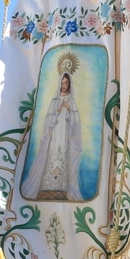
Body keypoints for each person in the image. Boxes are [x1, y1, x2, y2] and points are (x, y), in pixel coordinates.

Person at [23, 71, 84, 201]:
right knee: (52, 156)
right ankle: (47, 188)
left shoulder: (71, 101)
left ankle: (63, 189)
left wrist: (68, 109)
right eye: (62, 83)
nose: (64, 85)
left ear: (70, 84)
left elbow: (76, 122)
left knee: (64, 157)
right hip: (55, 134)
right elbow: (48, 120)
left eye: (66, 83)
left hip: (65, 136)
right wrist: (57, 111)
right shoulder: (55, 100)